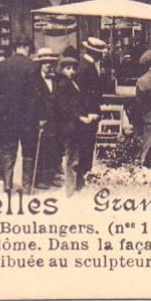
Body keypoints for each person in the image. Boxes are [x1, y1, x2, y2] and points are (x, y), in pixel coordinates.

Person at [0, 36, 40, 193]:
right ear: (27, 48)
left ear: (15, 48)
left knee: (8, 149)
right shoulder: (33, 66)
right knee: (28, 150)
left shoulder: (2, 66)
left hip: (7, 116)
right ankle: (27, 186)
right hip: (28, 117)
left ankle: (7, 184)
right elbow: (35, 95)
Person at [53, 50, 92, 196]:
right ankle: (70, 189)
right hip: (69, 126)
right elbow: (65, 108)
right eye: (68, 68)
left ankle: (75, 186)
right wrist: (80, 117)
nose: (71, 71)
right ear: (61, 69)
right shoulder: (63, 84)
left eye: (73, 68)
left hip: (74, 125)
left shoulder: (71, 82)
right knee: (71, 158)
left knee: (74, 156)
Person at [75, 37, 107, 183]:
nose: (102, 55)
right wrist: (90, 111)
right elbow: (83, 93)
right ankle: (83, 173)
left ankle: (84, 173)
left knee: (86, 143)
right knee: (86, 143)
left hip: (87, 112)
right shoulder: (86, 67)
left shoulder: (85, 65)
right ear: (94, 52)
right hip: (87, 113)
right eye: (100, 53)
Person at [33, 48, 61, 188]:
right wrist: (38, 118)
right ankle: (39, 179)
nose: (48, 65)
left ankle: (51, 177)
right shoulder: (34, 80)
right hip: (41, 120)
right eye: (45, 63)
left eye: (50, 63)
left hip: (54, 119)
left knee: (53, 148)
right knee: (41, 148)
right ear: (40, 64)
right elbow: (32, 102)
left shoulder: (56, 79)